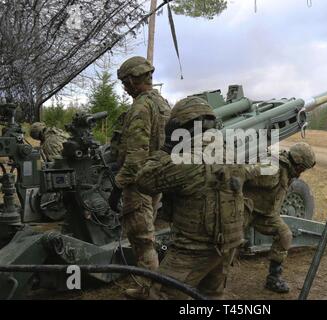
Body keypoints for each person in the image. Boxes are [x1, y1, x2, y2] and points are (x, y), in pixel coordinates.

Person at [135, 96, 263, 300]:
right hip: (228, 243)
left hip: (194, 248)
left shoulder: (189, 159)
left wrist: (167, 147)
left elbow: (144, 180)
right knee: (211, 294)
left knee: (161, 294)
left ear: (184, 127)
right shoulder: (229, 150)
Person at [109, 56, 171, 299]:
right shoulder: (163, 103)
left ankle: (151, 291)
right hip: (157, 179)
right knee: (149, 232)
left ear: (135, 80)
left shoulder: (141, 107)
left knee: (143, 239)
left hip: (139, 184)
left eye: (125, 82)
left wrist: (117, 186)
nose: (124, 87)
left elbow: (135, 157)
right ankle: (150, 286)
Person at [244, 142, 316, 293]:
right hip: (245, 210)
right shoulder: (273, 168)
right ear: (296, 162)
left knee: (285, 234)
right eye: (302, 168)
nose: (302, 172)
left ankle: (273, 278)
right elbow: (245, 172)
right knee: (230, 243)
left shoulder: (287, 170)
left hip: (265, 214)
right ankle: (214, 283)